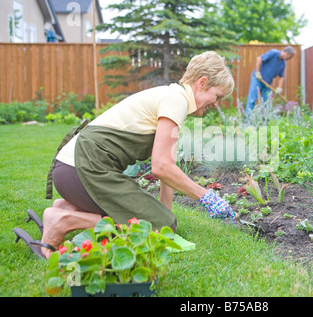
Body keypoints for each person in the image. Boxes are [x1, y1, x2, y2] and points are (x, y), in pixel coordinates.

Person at [15, 51, 236, 259]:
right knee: (151, 226)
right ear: (202, 83)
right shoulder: (176, 100)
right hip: (83, 170)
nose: (216, 104)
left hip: (72, 171)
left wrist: (163, 216)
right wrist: (206, 196)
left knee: (162, 223)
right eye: (217, 96)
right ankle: (64, 220)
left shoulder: (171, 97)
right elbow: (160, 166)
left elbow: (168, 165)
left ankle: (65, 207)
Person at [244, 46, 296, 118]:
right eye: (290, 57)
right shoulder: (273, 53)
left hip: (267, 84)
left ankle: (264, 121)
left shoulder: (283, 64)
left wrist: (279, 88)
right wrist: (258, 72)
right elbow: (259, 58)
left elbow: (281, 77)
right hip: (257, 78)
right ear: (287, 53)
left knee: (267, 103)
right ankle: (247, 120)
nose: (290, 59)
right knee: (252, 99)